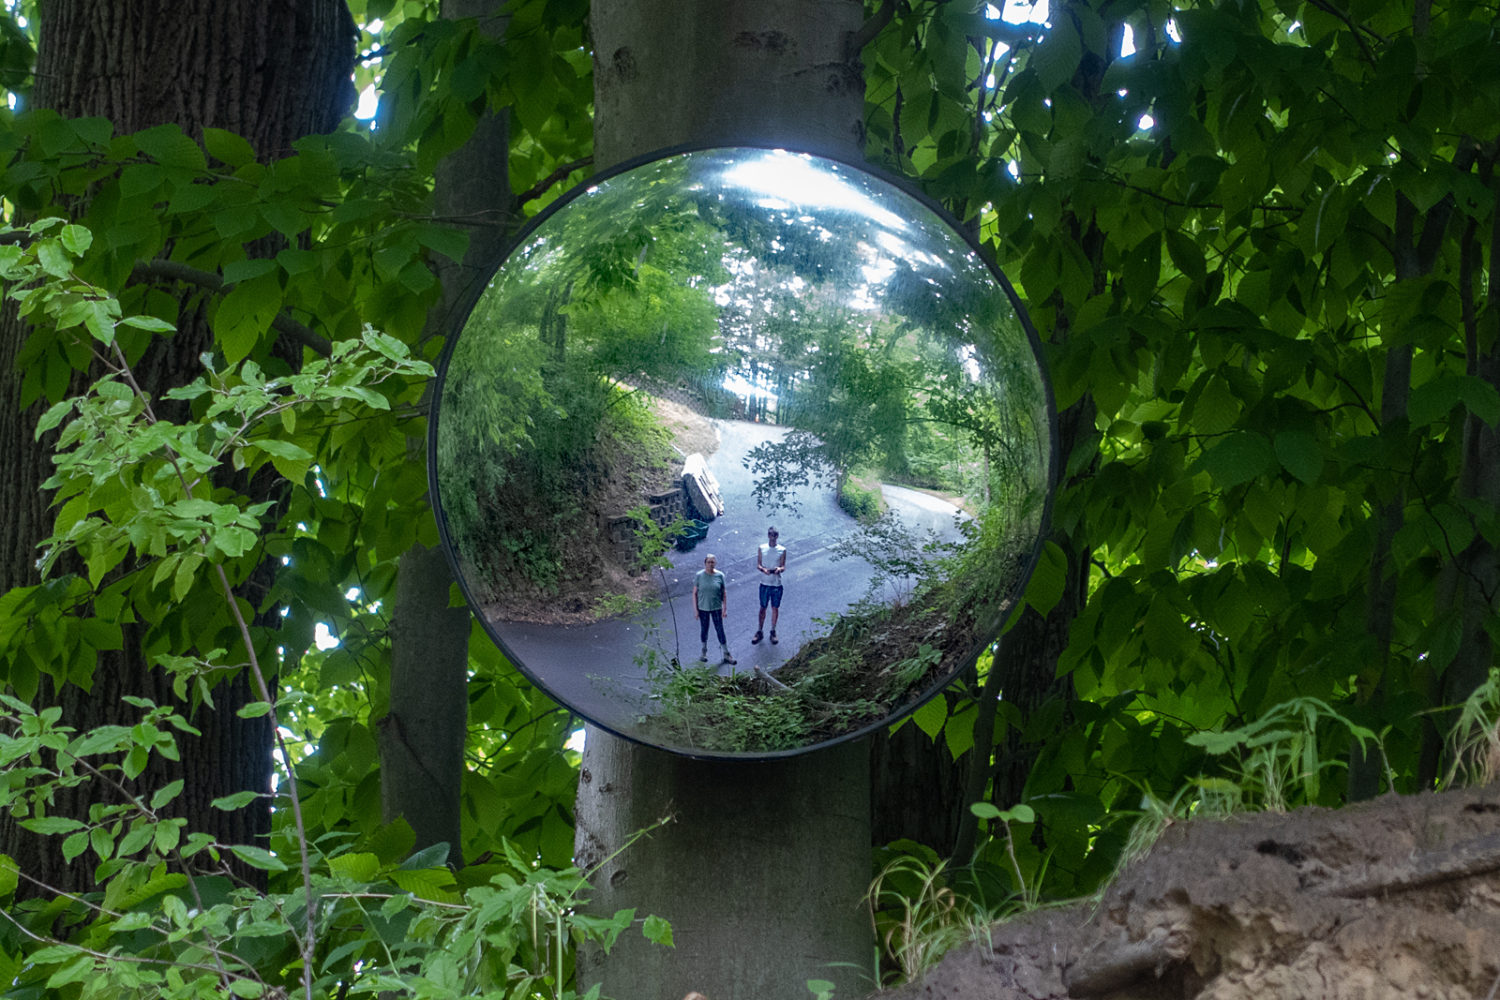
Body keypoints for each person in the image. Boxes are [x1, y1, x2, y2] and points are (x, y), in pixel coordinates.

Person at [692, 553, 736, 665]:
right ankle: (703, 652)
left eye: (712, 562)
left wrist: (724, 609)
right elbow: (694, 593)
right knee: (704, 630)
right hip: (703, 608)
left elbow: (724, 593)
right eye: (708, 562)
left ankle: (726, 653)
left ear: (715, 563)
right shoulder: (699, 576)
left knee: (720, 630)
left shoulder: (720, 576)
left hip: (716, 607)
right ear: (705, 563)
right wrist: (696, 610)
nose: (710, 564)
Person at [751, 526, 786, 645]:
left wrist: (779, 569)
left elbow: (783, 566)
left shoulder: (782, 550)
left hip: (776, 584)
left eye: (774, 535)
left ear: (777, 536)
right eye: (771, 534)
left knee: (775, 608)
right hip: (764, 583)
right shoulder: (762, 548)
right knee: (762, 608)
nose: (772, 537)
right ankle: (760, 630)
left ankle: (773, 630)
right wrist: (763, 570)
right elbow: (758, 565)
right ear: (768, 535)